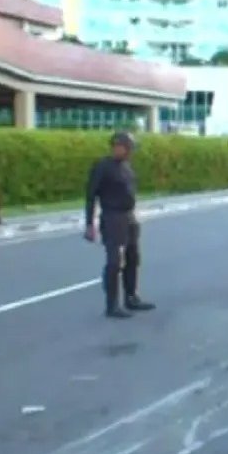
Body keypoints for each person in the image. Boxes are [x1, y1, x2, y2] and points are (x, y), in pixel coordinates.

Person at [84, 132, 156, 318]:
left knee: (133, 258)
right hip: (112, 217)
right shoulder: (103, 167)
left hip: (129, 217)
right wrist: (89, 224)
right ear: (118, 146)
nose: (130, 152)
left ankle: (131, 297)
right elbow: (91, 196)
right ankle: (112, 305)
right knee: (115, 262)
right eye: (128, 148)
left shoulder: (126, 167)